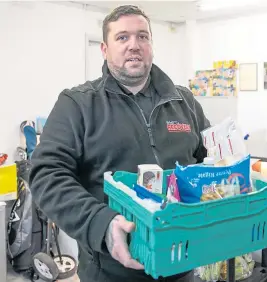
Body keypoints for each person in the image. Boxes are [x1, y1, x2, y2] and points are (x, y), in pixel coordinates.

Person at [29, 5, 210, 282]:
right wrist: (102, 224)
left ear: (151, 45)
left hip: (182, 263)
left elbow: (207, 161)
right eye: (122, 37)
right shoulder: (77, 104)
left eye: (142, 36)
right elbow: (46, 176)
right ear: (104, 49)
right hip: (111, 270)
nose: (134, 45)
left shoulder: (184, 101)